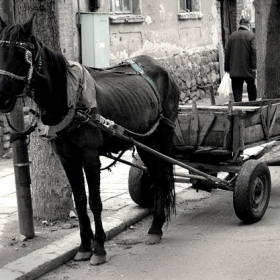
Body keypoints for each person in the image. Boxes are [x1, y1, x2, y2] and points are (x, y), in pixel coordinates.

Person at [224, 17, 257, 102]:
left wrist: (226, 68)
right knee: (251, 86)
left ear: (240, 24)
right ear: (248, 25)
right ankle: (252, 105)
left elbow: (227, 52)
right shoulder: (251, 36)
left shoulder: (232, 36)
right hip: (248, 68)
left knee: (237, 89)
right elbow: (253, 52)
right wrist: (254, 67)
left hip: (235, 68)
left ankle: (238, 106)